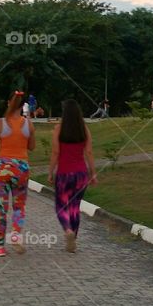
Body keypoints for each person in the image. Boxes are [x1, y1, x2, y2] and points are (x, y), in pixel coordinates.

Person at [0, 91, 36, 257]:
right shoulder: (28, 124)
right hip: (21, 169)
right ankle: (15, 235)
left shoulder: (0, 123)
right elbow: (32, 147)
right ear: (23, 105)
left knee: (1, 208)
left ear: (9, 103)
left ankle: (0, 247)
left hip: (3, 169)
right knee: (19, 206)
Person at [48, 99, 97, 253]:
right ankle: (73, 238)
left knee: (61, 205)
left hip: (63, 174)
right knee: (75, 207)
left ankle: (67, 230)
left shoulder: (58, 129)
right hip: (81, 174)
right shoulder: (84, 130)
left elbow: (56, 152)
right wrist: (93, 173)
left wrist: (50, 172)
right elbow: (88, 152)